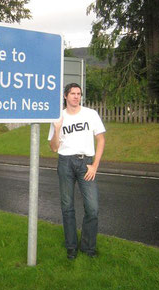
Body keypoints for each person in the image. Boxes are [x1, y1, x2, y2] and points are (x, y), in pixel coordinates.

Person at [48, 83, 106, 259]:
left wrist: (95, 165)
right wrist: (57, 129)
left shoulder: (90, 114)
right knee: (67, 207)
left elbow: (101, 140)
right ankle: (71, 247)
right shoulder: (58, 117)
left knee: (92, 208)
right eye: (72, 93)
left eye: (78, 93)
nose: (76, 96)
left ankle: (88, 248)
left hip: (85, 163)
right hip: (65, 163)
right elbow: (53, 147)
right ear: (65, 96)